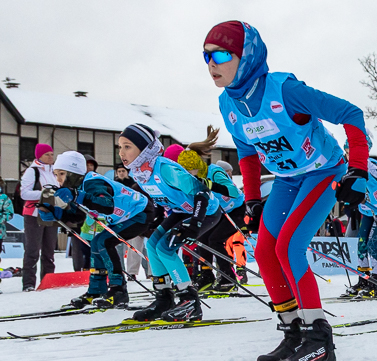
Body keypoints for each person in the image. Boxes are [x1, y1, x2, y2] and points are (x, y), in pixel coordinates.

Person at [206, 20, 370, 361]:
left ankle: (319, 340)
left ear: (247, 56)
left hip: (323, 171)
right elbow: (246, 152)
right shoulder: (228, 104)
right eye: (206, 57)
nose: (211, 64)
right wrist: (252, 199)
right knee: (265, 251)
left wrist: (358, 168)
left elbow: (350, 114)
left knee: (289, 247)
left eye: (220, 55)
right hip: (286, 178)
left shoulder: (285, 91)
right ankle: (294, 332)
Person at [118, 123, 222, 321]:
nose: (121, 152)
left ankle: (189, 301)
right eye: (120, 147)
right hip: (181, 211)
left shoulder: (164, 168)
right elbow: (162, 198)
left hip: (205, 211)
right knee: (152, 245)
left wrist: (196, 223)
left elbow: (201, 192)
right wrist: (155, 218)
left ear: (144, 149)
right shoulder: (141, 173)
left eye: (127, 146)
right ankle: (164, 299)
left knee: (166, 248)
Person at [37, 151, 153, 308]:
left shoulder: (93, 182)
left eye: (62, 174)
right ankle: (97, 290)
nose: (58, 179)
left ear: (74, 173)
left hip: (140, 212)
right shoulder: (78, 187)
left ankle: (118, 290)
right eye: (56, 174)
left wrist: (78, 196)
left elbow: (106, 205)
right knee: (97, 242)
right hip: (124, 217)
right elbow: (78, 215)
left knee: (103, 242)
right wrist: (57, 213)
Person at [176, 129, 246, 292]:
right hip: (220, 213)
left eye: (190, 171)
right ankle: (207, 276)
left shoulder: (214, 171)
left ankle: (228, 277)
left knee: (215, 240)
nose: (189, 175)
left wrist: (210, 185)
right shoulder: (194, 180)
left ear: (197, 165)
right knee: (203, 237)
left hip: (236, 210)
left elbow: (234, 192)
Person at [342, 137, 377, 299]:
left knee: (372, 244)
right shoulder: (348, 167)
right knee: (361, 244)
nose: (349, 156)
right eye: (347, 152)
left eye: (352, 152)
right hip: (366, 211)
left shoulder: (371, 165)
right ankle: (364, 280)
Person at [19, 143, 59, 291]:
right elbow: (24, 193)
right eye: (47, 154)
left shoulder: (54, 171)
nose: (50, 157)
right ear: (39, 156)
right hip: (34, 214)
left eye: (52, 154)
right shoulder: (32, 171)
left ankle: (48, 281)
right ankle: (28, 283)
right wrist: (45, 193)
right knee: (32, 250)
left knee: (49, 251)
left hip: (51, 215)